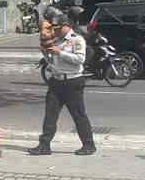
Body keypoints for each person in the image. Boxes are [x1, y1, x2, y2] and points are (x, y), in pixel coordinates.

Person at [29, 8, 96, 157]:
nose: (56, 31)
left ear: (66, 26)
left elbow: (80, 60)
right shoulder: (56, 40)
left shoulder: (76, 40)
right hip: (56, 81)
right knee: (50, 115)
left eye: (58, 28)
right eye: (54, 29)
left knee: (78, 115)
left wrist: (60, 52)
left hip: (73, 82)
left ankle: (89, 145)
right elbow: (51, 61)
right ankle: (44, 145)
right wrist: (47, 53)